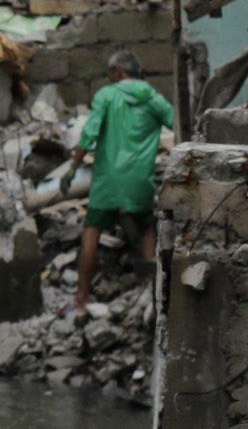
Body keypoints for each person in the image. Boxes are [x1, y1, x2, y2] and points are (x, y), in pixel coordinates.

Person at [72, 50, 176, 309]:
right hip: (139, 180)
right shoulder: (153, 99)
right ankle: (153, 293)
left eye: (110, 75)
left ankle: (81, 298)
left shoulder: (106, 95)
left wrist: (72, 168)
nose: (109, 80)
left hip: (107, 181)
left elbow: (89, 135)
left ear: (118, 73)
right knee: (147, 228)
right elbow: (179, 125)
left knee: (91, 232)